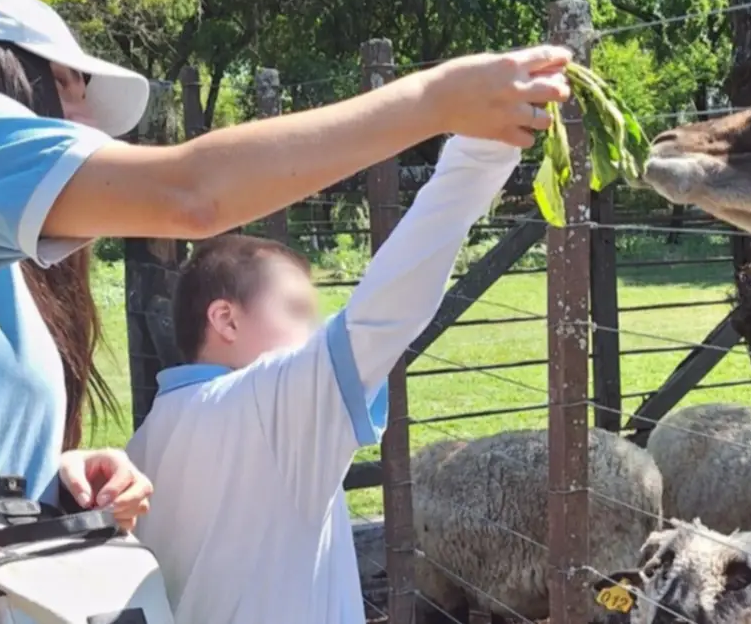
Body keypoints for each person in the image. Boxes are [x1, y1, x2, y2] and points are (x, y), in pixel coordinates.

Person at [0, 0, 570, 621]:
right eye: (64, 85)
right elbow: (191, 195)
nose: (79, 122)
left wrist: (58, 480)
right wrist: (437, 105)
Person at [124, 128, 546, 622]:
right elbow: (386, 310)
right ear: (226, 320)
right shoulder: (272, 406)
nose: (313, 332)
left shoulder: (148, 439)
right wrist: (485, 146)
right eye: (297, 310)